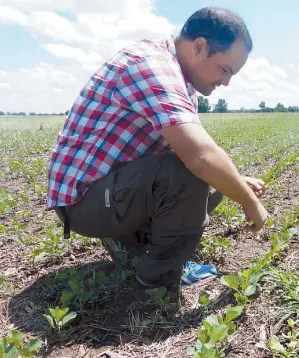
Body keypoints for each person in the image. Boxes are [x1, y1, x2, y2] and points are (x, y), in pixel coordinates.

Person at [45, 7, 269, 289]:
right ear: (199, 47)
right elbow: (198, 156)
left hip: (110, 188)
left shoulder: (182, 81)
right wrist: (250, 202)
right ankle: (159, 279)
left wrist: (237, 183)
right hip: (82, 201)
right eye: (225, 69)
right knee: (191, 173)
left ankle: (131, 244)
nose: (226, 81)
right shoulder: (151, 65)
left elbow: (192, 152)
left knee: (217, 178)